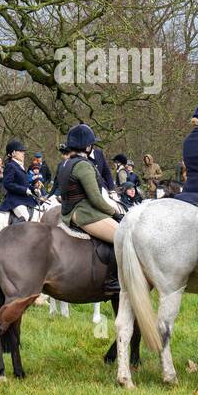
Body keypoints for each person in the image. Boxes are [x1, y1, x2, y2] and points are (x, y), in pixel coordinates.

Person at [56, 123, 122, 292]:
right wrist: (115, 213)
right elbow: (96, 199)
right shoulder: (83, 166)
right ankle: (113, 280)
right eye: (92, 144)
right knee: (123, 236)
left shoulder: (65, 163)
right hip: (85, 213)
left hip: (69, 212)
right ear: (86, 146)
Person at [0, 140, 37, 224]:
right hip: (14, 199)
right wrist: (24, 190)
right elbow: (7, 184)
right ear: (13, 153)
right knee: (25, 216)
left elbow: (24, 183)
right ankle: (14, 235)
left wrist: (34, 189)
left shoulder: (19, 166)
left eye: (23, 151)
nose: (23, 153)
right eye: (21, 151)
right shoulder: (10, 166)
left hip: (24, 198)